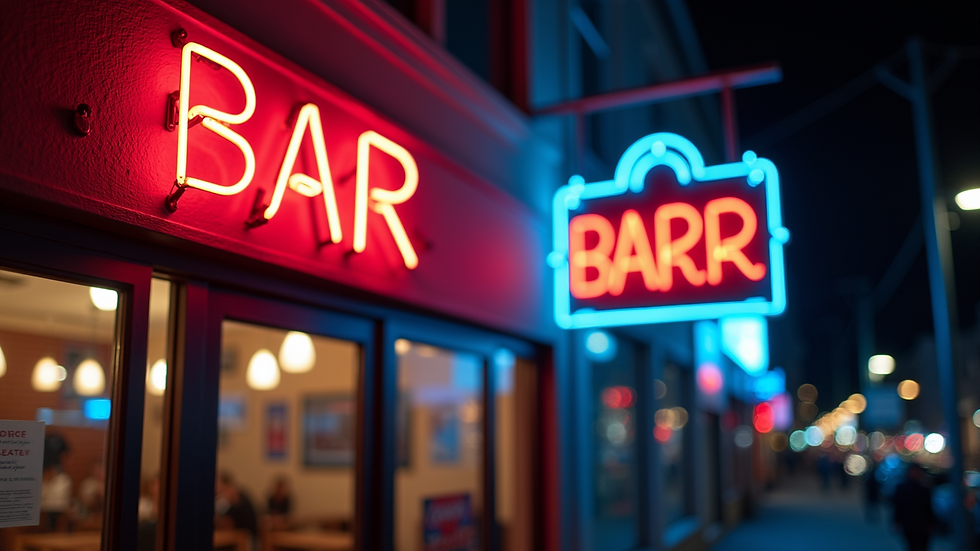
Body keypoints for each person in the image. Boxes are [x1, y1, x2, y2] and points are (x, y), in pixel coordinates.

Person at [892, 463, 936, 551]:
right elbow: (898, 506)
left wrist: (932, 522)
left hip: (922, 524)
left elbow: (928, 507)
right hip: (909, 524)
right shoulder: (902, 488)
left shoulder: (924, 489)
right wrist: (896, 522)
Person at [215, 471, 259, 542]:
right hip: (238, 538)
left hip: (247, 540)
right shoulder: (229, 502)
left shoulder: (241, 500)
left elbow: (229, 522)